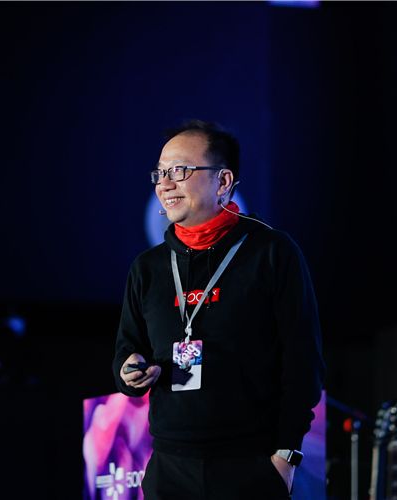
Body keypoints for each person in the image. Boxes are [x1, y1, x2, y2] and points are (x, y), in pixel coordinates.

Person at [112, 120, 324, 499]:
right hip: (169, 468)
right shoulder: (148, 268)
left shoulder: (271, 253)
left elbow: (303, 361)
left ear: (223, 181)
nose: (165, 184)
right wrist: (130, 369)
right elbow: (126, 351)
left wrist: (285, 455)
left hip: (250, 464)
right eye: (160, 173)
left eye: (180, 170)